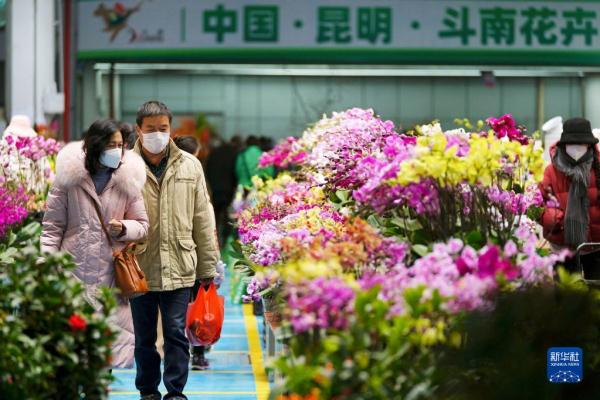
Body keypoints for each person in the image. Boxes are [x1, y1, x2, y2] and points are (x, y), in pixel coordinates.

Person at [41, 118, 149, 368]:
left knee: (106, 354)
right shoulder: (69, 179)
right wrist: (46, 262)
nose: (117, 150)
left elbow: (143, 225)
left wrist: (124, 228)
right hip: (72, 275)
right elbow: (52, 227)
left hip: (111, 278)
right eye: (111, 144)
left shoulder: (127, 180)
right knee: (72, 351)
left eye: (120, 145)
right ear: (96, 145)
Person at [131, 101, 219, 400]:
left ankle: (175, 392)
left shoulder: (190, 165)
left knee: (175, 333)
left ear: (171, 129)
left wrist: (208, 267)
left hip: (181, 263)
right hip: (139, 267)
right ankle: (147, 391)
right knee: (144, 338)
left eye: (163, 129)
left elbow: (202, 218)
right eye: (150, 129)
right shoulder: (125, 167)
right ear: (138, 130)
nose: (157, 134)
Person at [540, 117, 600, 279]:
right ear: (563, 144)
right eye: (572, 144)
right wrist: (553, 219)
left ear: (589, 144)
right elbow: (539, 203)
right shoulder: (551, 171)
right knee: (566, 297)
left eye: (581, 144)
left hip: (595, 246)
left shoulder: (598, 167)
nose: (576, 148)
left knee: (595, 295)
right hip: (562, 246)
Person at [206, 136, 240, 247]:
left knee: (214, 215)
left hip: (215, 189)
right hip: (228, 189)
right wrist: (234, 185)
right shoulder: (233, 154)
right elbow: (235, 171)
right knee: (227, 215)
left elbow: (207, 170)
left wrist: (211, 185)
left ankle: (213, 239)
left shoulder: (213, 154)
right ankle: (225, 239)